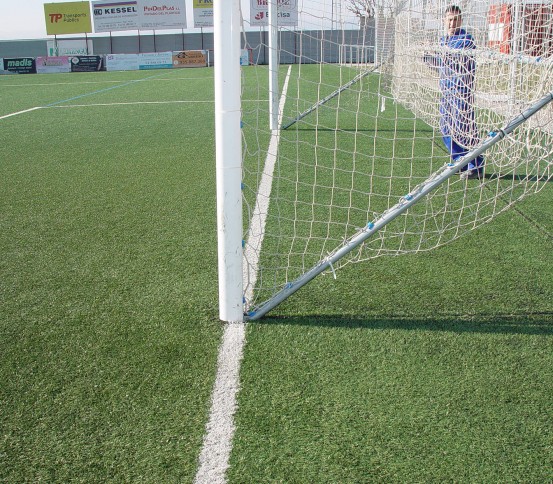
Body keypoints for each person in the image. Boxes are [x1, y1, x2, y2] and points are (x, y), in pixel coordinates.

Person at [426, 5, 484, 179]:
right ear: (444, 21)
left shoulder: (466, 40)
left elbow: (455, 60)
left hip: (461, 92)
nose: (452, 23)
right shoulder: (444, 41)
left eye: (456, 19)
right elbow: (441, 65)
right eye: (449, 19)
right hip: (446, 93)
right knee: (446, 128)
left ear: (461, 21)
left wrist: (439, 53)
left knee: (464, 129)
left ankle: (476, 165)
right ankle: (460, 162)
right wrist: (427, 57)